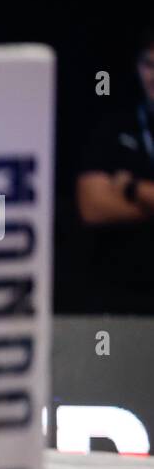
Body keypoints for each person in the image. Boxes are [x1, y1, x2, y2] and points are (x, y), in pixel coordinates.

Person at [74, 26, 154, 314]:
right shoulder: (113, 128)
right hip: (120, 297)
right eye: (148, 64)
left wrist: (131, 188)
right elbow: (93, 208)